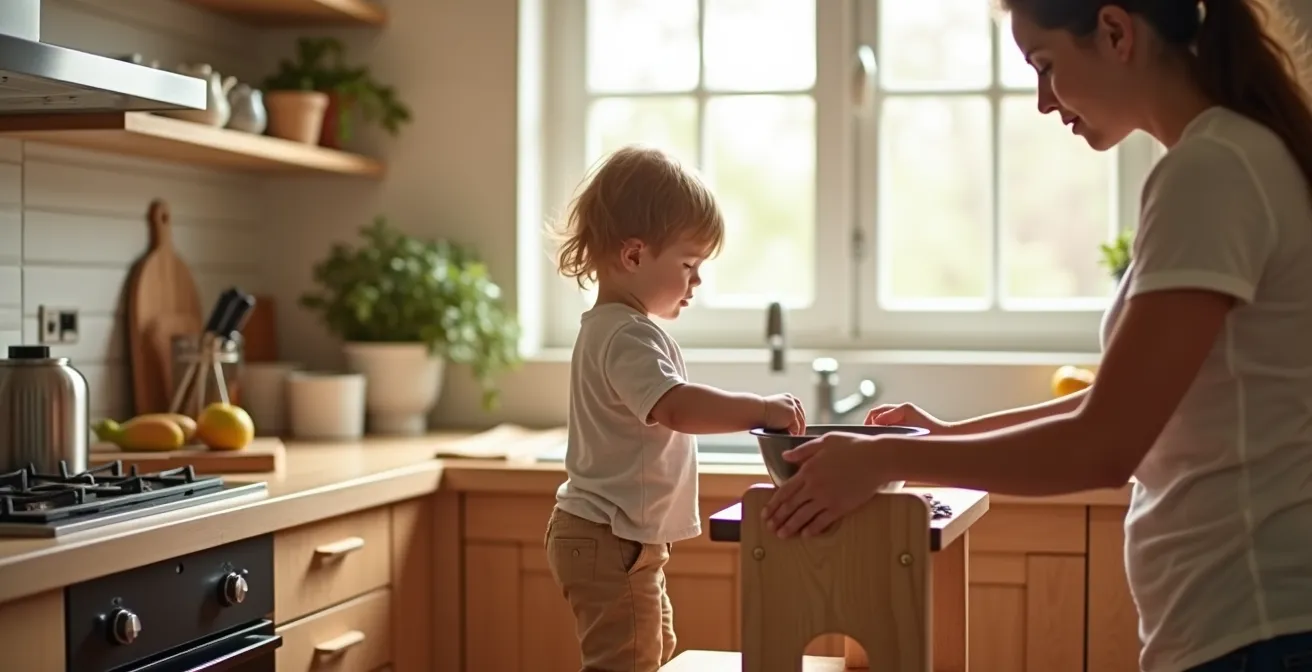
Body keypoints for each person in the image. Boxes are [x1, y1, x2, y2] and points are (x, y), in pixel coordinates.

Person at [761, 1, 1312, 670]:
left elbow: (1105, 447)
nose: (1043, 101)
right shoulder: (1234, 156)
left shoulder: (1211, 172)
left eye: (1045, 66)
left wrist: (888, 461)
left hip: (1256, 629)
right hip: (1245, 625)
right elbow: (1119, 405)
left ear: (1115, 32)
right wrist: (939, 439)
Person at [546, 144, 806, 672]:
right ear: (634, 255)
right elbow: (677, 408)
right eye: (689, 264)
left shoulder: (615, 329)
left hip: (615, 537)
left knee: (653, 651)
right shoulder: (626, 335)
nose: (697, 281)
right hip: (610, 538)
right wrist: (759, 409)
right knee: (629, 661)